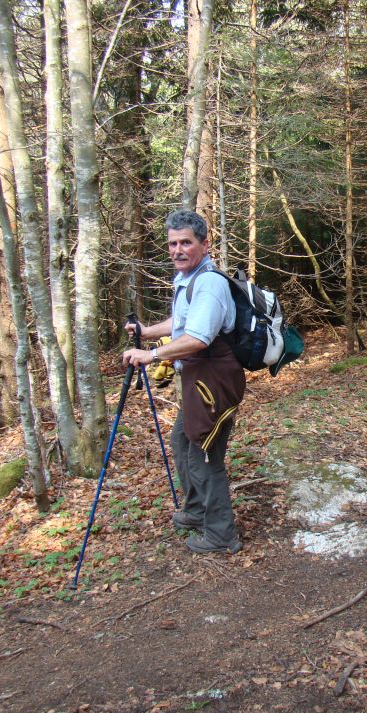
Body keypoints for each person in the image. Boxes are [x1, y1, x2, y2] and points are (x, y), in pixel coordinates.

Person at [122, 209, 244, 554]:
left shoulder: (209, 283)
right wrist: (147, 332)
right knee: (182, 442)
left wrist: (152, 355)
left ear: (204, 244)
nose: (177, 249)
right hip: (197, 379)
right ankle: (195, 511)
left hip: (213, 380)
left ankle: (221, 535)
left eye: (186, 242)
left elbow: (199, 338)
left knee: (202, 454)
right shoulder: (189, 279)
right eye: (173, 243)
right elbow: (182, 322)